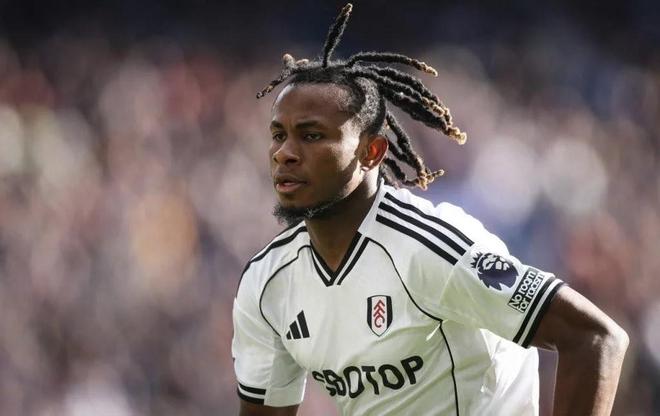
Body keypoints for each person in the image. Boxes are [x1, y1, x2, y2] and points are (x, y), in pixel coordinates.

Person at [232, 4, 629, 415]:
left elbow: (594, 338)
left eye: (312, 135)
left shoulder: (430, 248)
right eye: (278, 135)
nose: (284, 153)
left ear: (371, 152)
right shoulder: (267, 281)